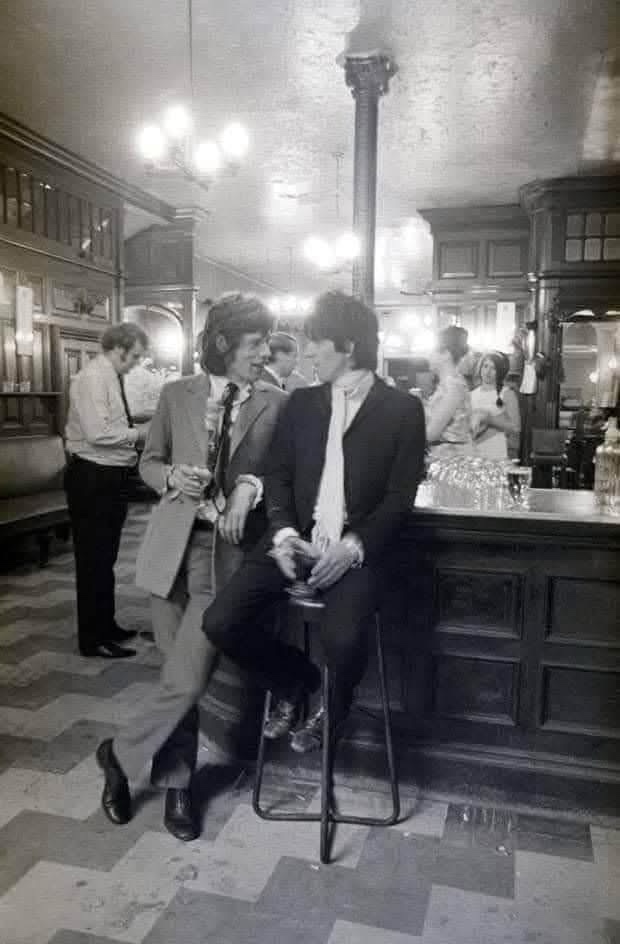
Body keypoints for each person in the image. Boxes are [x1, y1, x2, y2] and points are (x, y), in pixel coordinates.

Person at [200, 290, 426, 759]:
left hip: (355, 550)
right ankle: (295, 682)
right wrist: (282, 533)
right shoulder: (302, 402)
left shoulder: (403, 410)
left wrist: (353, 546)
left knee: (342, 639)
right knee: (220, 622)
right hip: (293, 540)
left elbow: (399, 499)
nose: (305, 353)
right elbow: (277, 475)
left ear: (348, 346)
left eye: (316, 343)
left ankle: (334, 708)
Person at [95, 293, 286, 840]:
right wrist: (170, 478)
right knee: (176, 677)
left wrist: (253, 488)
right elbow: (149, 461)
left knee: (189, 676)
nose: (265, 352)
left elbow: (288, 474)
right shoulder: (179, 394)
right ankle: (178, 786)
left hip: (222, 558)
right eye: (255, 344)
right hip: (167, 552)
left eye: (267, 343)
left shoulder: (276, 402)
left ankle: (118, 753)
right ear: (224, 344)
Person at [64, 322, 149, 659]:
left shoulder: (111, 375)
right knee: (93, 561)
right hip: (92, 477)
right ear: (119, 348)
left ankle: (106, 625)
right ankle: (92, 639)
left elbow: (112, 424)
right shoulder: (92, 378)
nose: (137, 363)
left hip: (108, 477)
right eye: (136, 356)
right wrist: (140, 434)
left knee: (106, 558)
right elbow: (99, 433)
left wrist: (135, 428)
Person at [425, 325, 473, 462]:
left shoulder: (454, 386)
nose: (428, 356)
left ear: (446, 353)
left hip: (451, 462)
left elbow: (431, 433)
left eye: (432, 351)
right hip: (442, 458)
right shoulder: (448, 385)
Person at [471, 351, 521, 460]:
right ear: (480, 368)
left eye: (493, 368)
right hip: (474, 452)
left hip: (496, 451)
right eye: (485, 366)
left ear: (500, 372)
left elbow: (516, 427)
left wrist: (490, 420)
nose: (488, 372)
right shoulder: (471, 395)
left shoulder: (507, 393)